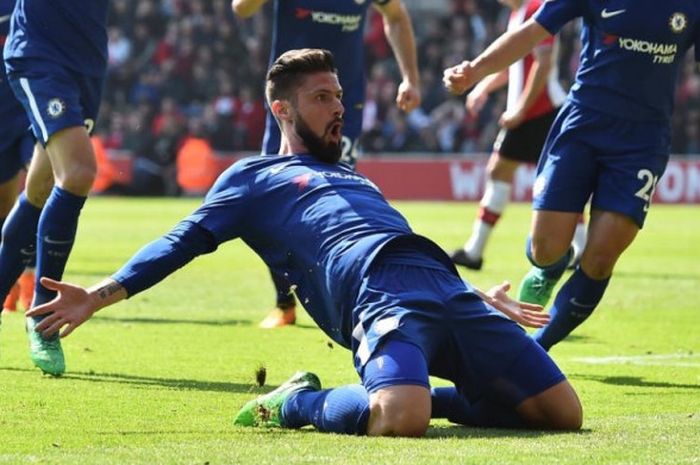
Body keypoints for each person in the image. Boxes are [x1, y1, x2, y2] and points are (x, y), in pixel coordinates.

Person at [28, 49, 582, 436]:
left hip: (440, 281)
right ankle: (296, 402)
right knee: (401, 421)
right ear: (282, 110)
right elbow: (181, 242)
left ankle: (410, 392)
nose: (339, 107)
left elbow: (397, 243)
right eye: (322, 97)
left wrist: (478, 295)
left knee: (562, 413)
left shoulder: (357, 177)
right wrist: (98, 296)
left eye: (339, 96)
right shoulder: (252, 178)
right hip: (373, 295)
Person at [444, 0, 700, 350]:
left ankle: (535, 348)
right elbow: (531, 32)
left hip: (642, 141)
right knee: (546, 249)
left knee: (600, 257)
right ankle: (549, 269)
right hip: (582, 127)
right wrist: (475, 70)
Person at [232, 0, 421, 328]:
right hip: (290, 106)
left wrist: (410, 78)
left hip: (341, 103)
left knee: (338, 197)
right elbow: (242, 8)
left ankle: (348, 294)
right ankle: (284, 302)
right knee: (274, 198)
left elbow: (396, 17)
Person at [0, 0, 110, 375]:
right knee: (78, 172)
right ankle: (44, 316)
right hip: (39, 54)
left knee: (40, 187)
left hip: (88, 62)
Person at [449, 0, 587, 271]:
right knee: (555, 178)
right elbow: (512, 63)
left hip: (539, 110)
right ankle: (579, 249)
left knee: (503, 173)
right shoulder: (519, 13)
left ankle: (475, 251)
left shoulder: (535, 7)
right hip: (539, 110)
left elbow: (543, 64)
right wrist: (484, 87)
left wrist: (520, 110)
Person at [0, 2, 38, 316]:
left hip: (29, 106)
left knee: (45, 187)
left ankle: (35, 291)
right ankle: (9, 285)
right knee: (4, 206)